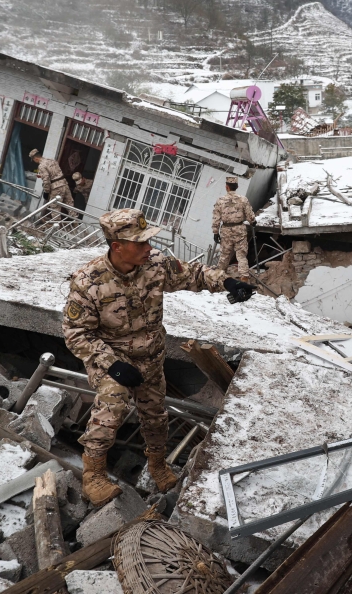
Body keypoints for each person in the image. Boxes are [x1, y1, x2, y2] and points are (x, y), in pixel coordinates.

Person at [63, 208, 255, 505]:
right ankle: (94, 474)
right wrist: (112, 364)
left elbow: (194, 274)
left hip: (150, 358)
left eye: (147, 241)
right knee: (112, 403)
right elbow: (76, 333)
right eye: (140, 243)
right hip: (112, 360)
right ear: (117, 246)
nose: (148, 248)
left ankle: (156, 465)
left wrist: (228, 283)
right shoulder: (88, 282)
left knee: (156, 417)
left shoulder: (155, 265)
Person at [212, 176, 255, 278]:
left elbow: (216, 218)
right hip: (239, 230)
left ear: (227, 187)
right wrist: (253, 222)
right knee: (241, 256)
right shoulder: (243, 200)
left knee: (224, 255)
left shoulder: (220, 201)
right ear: (237, 186)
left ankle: (219, 277)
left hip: (226, 231)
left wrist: (215, 232)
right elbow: (250, 215)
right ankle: (244, 277)